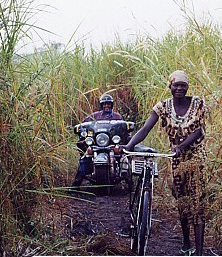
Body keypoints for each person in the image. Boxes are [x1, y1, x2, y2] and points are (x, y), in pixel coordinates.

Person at [124, 70, 208, 256]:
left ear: (187, 87)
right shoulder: (162, 107)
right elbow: (146, 128)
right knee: (182, 202)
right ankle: (187, 244)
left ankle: (200, 252)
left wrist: (182, 146)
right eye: (175, 85)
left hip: (197, 159)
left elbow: (199, 131)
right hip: (176, 160)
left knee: (198, 203)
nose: (179, 88)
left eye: (183, 85)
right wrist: (128, 146)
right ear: (169, 86)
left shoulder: (198, 104)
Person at [71, 93, 123, 187]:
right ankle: (76, 183)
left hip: (111, 143)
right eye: (104, 104)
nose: (106, 106)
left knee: (124, 157)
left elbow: (123, 128)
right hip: (97, 143)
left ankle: (129, 183)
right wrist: (81, 129)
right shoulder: (95, 116)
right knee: (85, 158)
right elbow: (84, 123)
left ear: (111, 105)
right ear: (101, 105)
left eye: (108, 104)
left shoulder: (117, 116)